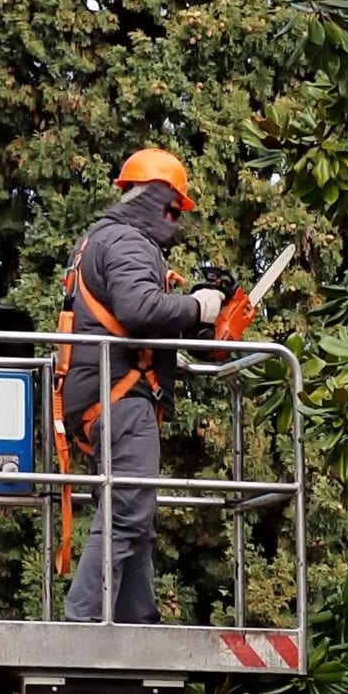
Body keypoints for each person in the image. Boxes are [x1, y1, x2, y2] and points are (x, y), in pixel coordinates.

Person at [59, 147, 224, 623]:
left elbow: (137, 317)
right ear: (155, 196)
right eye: (173, 209)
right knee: (129, 512)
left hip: (101, 395)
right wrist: (198, 308)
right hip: (120, 396)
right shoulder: (129, 243)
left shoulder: (101, 240)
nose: (175, 220)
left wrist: (198, 323)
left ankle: (138, 620)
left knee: (136, 515)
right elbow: (138, 309)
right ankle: (84, 621)